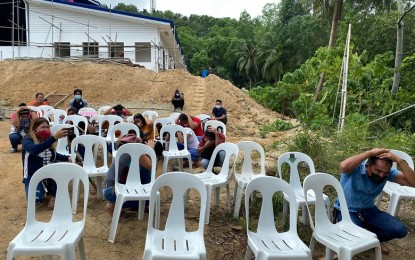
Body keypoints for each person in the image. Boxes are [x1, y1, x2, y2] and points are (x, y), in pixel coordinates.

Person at [334, 148, 415, 254]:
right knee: (354, 238)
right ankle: (367, 240)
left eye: (385, 173)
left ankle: (373, 241)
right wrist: (370, 153)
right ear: (367, 166)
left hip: (369, 210)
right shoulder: (355, 168)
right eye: (377, 171)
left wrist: (399, 160)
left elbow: (413, 182)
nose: (381, 175)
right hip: (347, 210)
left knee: (400, 230)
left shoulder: (388, 173)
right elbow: (344, 166)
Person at [103, 133, 163, 216]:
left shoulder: (134, 148)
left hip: (114, 189)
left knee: (149, 195)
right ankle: (115, 204)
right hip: (111, 191)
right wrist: (151, 149)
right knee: (151, 198)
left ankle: (137, 205)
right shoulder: (137, 151)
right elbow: (152, 167)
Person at [22, 117, 72, 209]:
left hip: (48, 173)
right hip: (33, 175)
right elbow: (34, 150)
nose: (46, 129)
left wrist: (67, 157)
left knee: (60, 171)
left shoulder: (47, 140)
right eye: (43, 127)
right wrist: (54, 138)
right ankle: (43, 189)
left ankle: (53, 196)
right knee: (36, 201)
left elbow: (53, 155)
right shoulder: (27, 140)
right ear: (35, 129)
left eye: (47, 127)